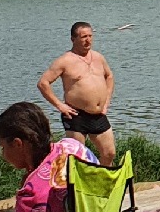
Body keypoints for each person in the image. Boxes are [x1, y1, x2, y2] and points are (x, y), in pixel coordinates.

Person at [38, 21, 118, 163]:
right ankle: (76, 184)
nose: (88, 40)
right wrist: (60, 105)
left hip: (99, 114)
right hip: (76, 115)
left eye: (90, 36)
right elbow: (43, 83)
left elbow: (109, 76)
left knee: (109, 153)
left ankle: (99, 182)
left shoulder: (98, 57)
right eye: (83, 37)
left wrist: (106, 103)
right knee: (77, 158)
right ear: (73, 39)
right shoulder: (65, 61)